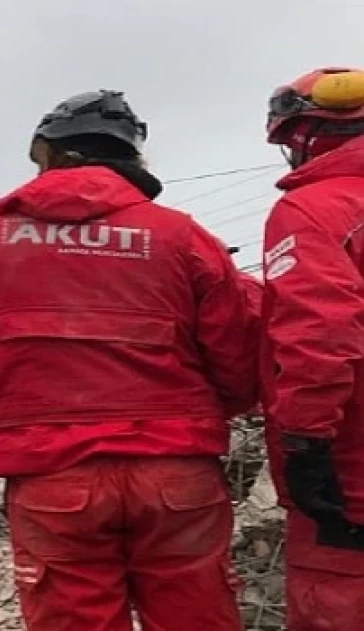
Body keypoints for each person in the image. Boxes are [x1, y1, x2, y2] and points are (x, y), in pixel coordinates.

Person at [0, 90, 257, 631]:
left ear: (47, 153)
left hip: (52, 476)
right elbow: (237, 355)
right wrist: (198, 418)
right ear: (132, 158)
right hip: (175, 471)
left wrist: (27, 425)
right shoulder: (181, 236)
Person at [260, 66, 364, 630]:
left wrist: (306, 442)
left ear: (304, 137)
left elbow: (321, 329)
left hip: (351, 479)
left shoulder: (315, 209)